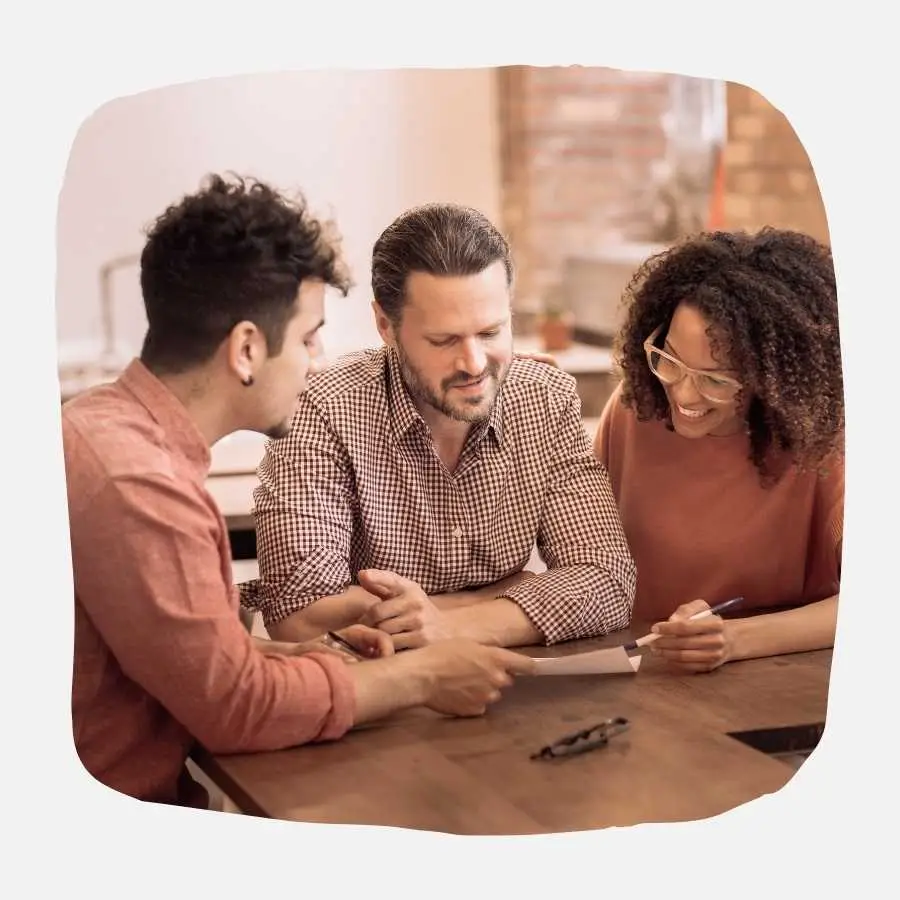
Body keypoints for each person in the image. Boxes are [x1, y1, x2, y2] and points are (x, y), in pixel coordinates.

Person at [63, 174, 535, 809]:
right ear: (248, 349)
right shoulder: (139, 485)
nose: (319, 358)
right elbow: (237, 709)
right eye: (310, 336)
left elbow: (171, 658)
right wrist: (421, 674)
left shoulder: (107, 430)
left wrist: (288, 659)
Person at [240, 202, 636, 650]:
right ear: (386, 326)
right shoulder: (324, 407)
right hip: (381, 699)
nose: (473, 364)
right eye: (444, 340)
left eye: (490, 332)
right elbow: (298, 614)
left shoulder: (545, 398)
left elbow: (607, 582)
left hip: (514, 695)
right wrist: (509, 597)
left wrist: (448, 625)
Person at [593, 227, 843, 674]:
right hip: (636, 672)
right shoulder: (636, 407)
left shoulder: (821, 443)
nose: (684, 395)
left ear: (774, 380)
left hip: (769, 685)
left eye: (716, 379)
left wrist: (734, 639)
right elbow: (585, 552)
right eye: (669, 359)